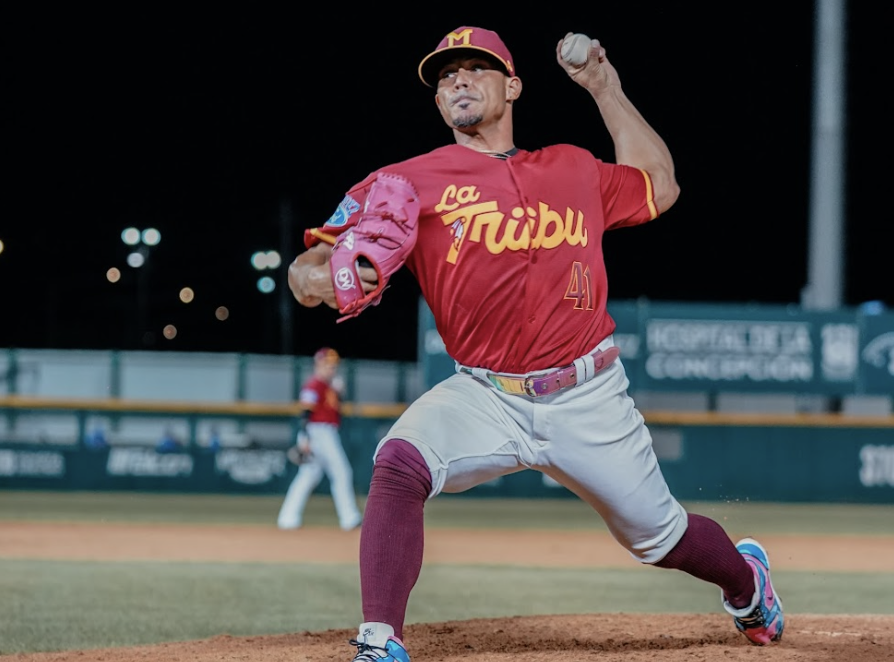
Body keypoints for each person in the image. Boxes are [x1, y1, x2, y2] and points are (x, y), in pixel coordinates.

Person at [288, 26, 784, 662]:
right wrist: (326, 277)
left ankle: (747, 585)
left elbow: (660, 184)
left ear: (513, 86)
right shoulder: (405, 182)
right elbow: (306, 270)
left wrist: (604, 86)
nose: (458, 80)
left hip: (588, 393)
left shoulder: (572, 167)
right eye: (446, 76)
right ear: (437, 101)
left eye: (476, 68)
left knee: (660, 538)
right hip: (484, 392)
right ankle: (380, 640)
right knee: (400, 463)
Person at [277, 347, 363, 532]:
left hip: (324, 432)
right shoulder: (314, 384)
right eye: (327, 365)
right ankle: (350, 518)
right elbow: (305, 413)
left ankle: (287, 518)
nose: (331, 369)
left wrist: (338, 393)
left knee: (309, 475)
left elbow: (334, 409)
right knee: (341, 472)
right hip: (318, 432)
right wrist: (305, 437)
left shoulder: (329, 387)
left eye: (333, 366)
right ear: (318, 365)